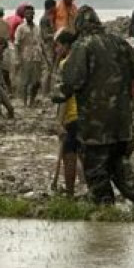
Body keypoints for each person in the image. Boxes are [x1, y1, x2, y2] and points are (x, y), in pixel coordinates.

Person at [55, 6, 134, 206]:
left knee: (96, 169)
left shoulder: (82, 46)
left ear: (80, 25)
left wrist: (57, 94)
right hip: (122, 122)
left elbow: (70, 82)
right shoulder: (120, 44)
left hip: (95, 124)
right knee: (118, 162)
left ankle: (105, 207)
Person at [52, 29, 81, 197]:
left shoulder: (66, 64)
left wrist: (59, 122)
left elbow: (64, 97)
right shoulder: (83, 62)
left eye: (58, 46)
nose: (57, 50)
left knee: (69, 155)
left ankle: (70, 193)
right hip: (86, 115)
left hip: (72, 115)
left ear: (66, 46)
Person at [14, 6, 46, 106]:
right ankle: (24, 102)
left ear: (33, 14)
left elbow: (41, 43)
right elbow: (17, 44)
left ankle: (32, 100)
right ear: (24, 15)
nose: (29, 15)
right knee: (25, 81)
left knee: (36, 81)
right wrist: (17, 58)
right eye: (27, 13)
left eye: (31, 13)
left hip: (37, 57)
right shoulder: (21, 28)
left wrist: (45, 59)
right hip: (25, 56)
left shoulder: (37, 28)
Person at [0, 37, 18, 118]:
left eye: (3, 48)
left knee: (10, 108)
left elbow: (0, 72)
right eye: (1, 47)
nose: (2, 50)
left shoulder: (0, 56)